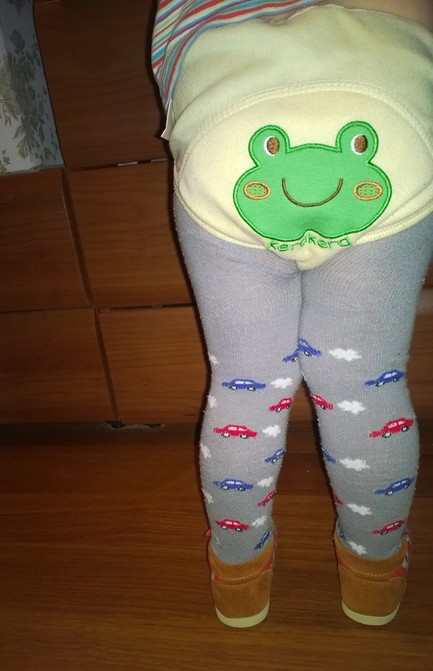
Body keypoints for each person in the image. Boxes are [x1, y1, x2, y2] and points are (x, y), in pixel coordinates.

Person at [151, 0, 433, 627]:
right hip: (384, 111)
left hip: (230, 124)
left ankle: (238, 578)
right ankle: (374, 577)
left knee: (245, 383)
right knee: (367, 383)